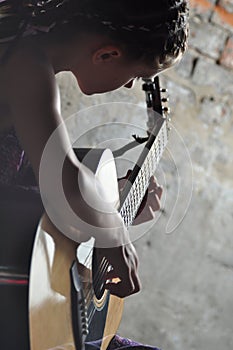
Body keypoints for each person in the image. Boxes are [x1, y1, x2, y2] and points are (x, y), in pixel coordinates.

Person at [0, 0, 189, 348]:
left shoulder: (26, 50)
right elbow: (65, 183)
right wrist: (112, 229)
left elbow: (29, 190)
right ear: (106, 55)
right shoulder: (26, 64)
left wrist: (111, 204)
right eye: (135, 76)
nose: (131, 86)